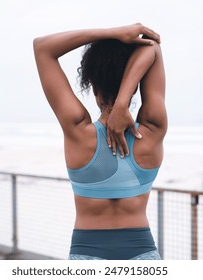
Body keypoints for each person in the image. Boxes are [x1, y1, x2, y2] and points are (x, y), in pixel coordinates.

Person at [33, 23, 167, 260]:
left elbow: (42, 47)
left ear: (92, 85)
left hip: (87, 256)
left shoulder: (78, 131)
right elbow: (152, 47)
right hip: (143, 257)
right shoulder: (153, 130)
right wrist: (124, 99)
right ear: (136, 86)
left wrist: (112, 33)